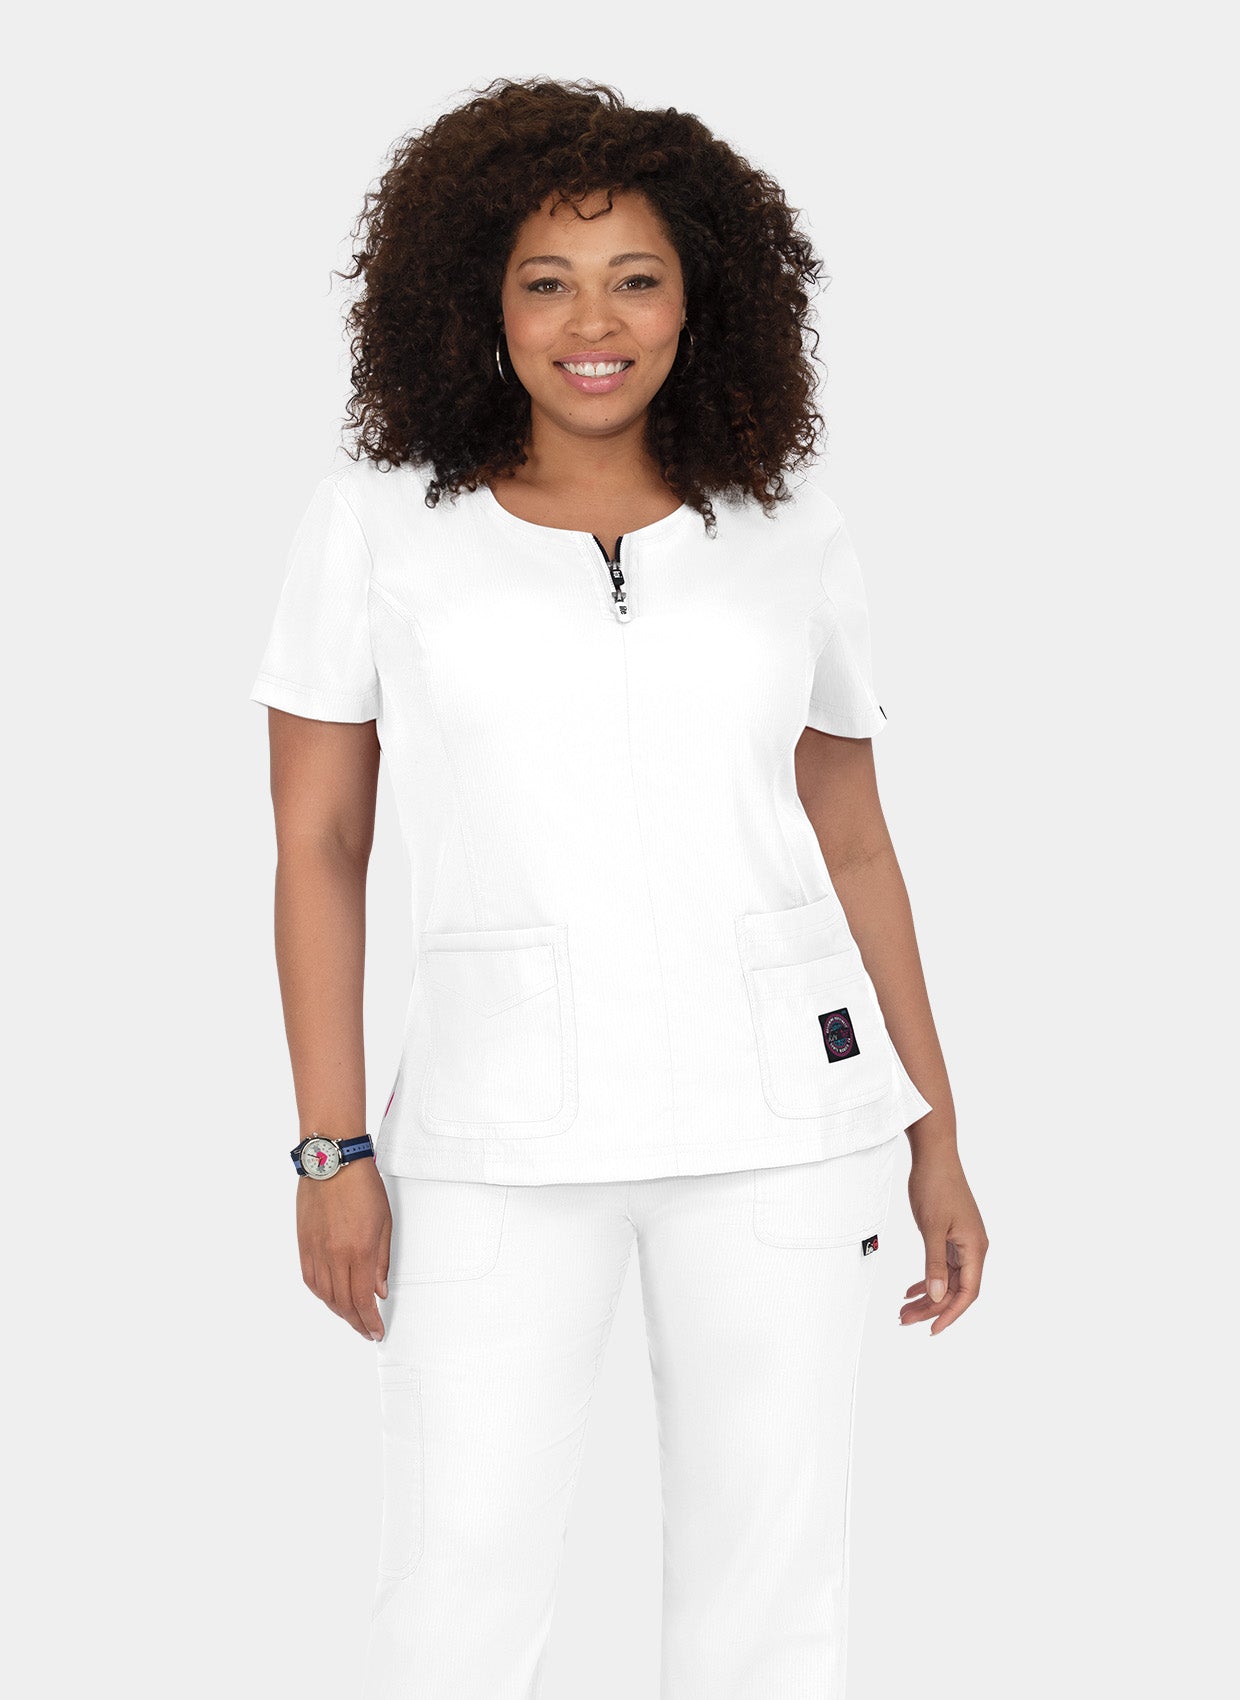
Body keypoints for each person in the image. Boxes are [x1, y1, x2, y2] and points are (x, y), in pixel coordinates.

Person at [250, 76, 988, 1700]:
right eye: (549, 282)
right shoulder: (377, 529)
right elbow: (320, 846)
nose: (595, 324)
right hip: (495, 1137)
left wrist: (935, 1133)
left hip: (781, 1128)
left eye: (637, 279)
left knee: (771, 1591)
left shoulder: (788, 529)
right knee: (457, 1586)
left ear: (698, 300)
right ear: (480, 302)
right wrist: (330, 1145)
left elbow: (856, 840)